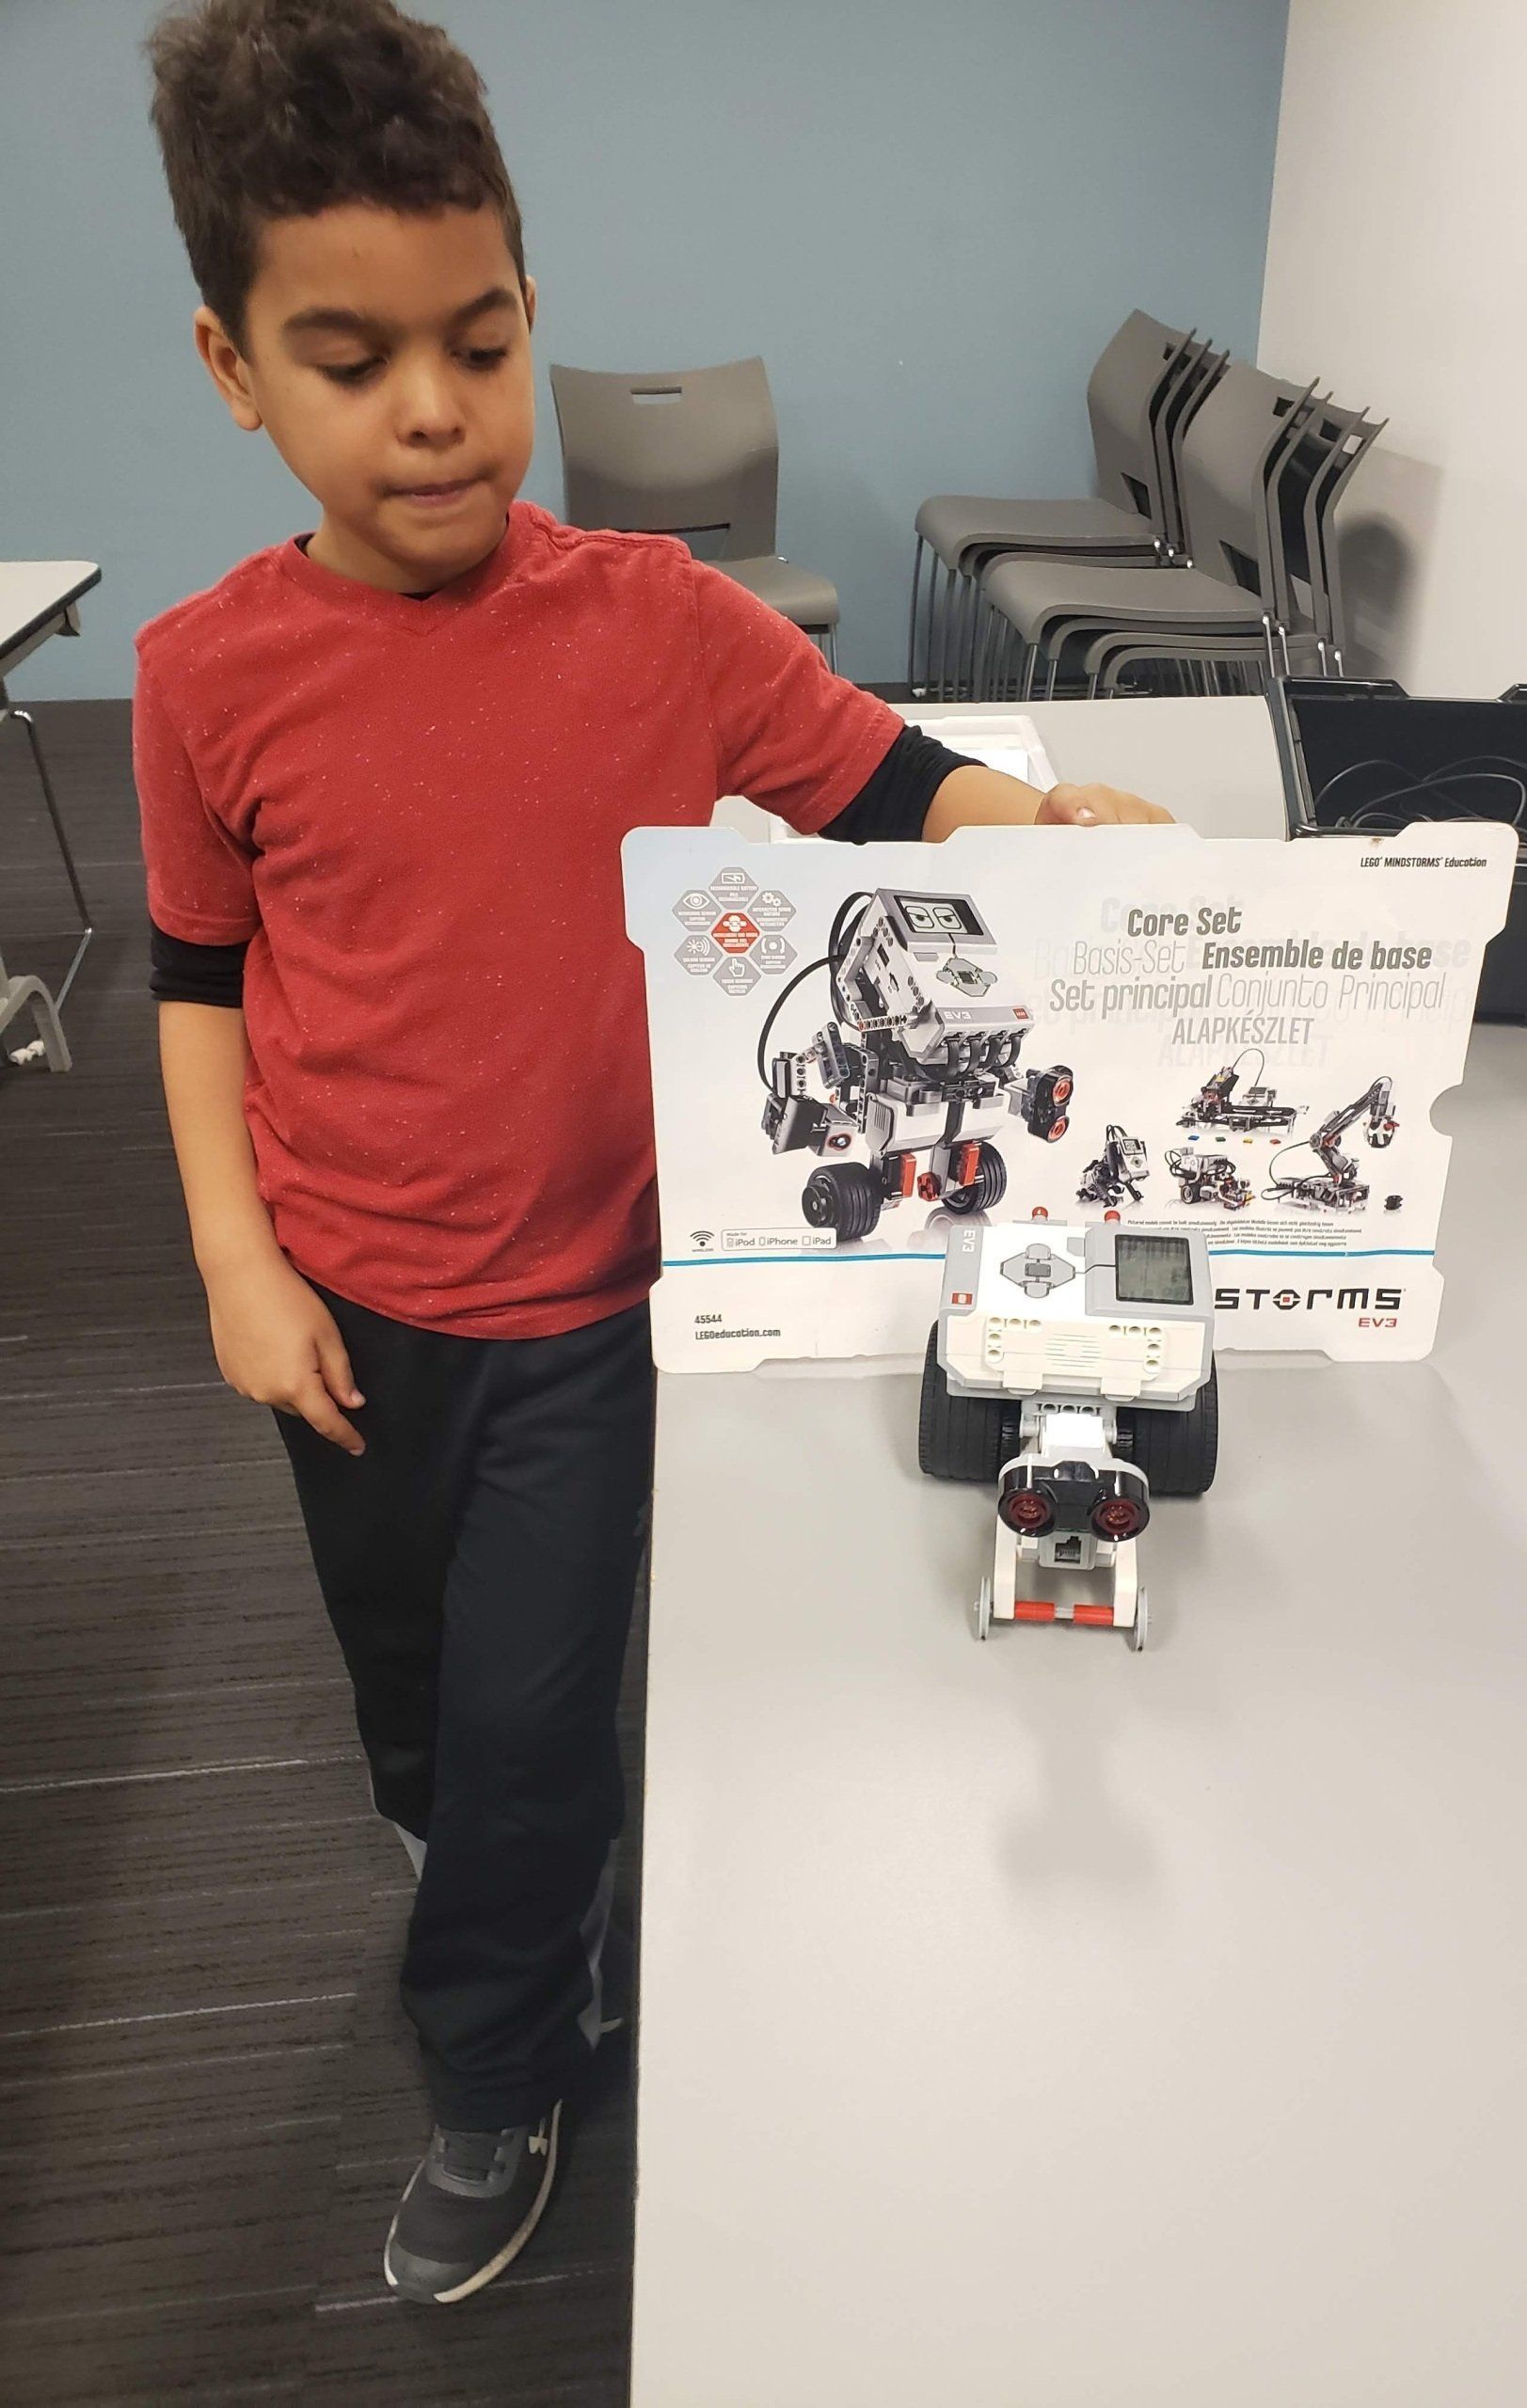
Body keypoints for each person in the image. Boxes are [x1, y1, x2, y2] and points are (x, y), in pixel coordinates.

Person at [135, 0, 1172, 2307]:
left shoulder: (654, 621)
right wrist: (231, 1257)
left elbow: (883, 777)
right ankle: (502, 1879)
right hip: (342, 1299)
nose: (432, 407)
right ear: (235, 369)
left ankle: (499, 2059)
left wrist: (1039, 822)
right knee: (413, 1690)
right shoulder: (205, 677)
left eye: (481, 341)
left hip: (593, 1306)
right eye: (350, 360)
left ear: (529, 311)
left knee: (529, 1710)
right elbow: (197, 979)